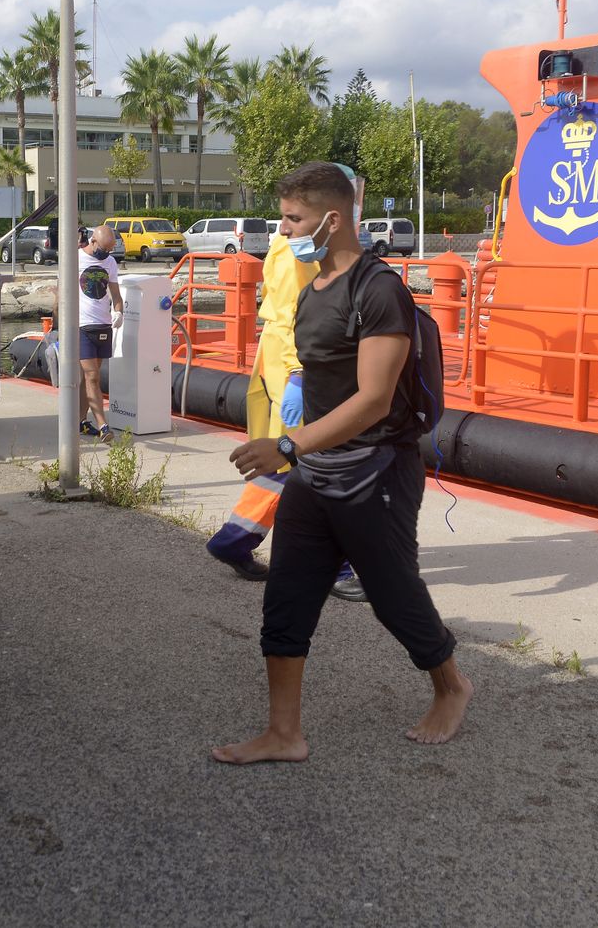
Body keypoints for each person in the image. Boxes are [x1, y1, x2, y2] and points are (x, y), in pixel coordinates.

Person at [214, 162, 470, 762]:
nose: (283, 231)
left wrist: (287, 445)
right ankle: (284, 733)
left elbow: (375, 399)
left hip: (375, 470)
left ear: (333, 219)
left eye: (293, 219)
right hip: (317, 471)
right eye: (282, 218)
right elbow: (322, 374)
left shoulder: (379, 290)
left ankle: (452, 685)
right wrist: (298, 432)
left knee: (391, 593)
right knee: (287, 597)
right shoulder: (311, 291)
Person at [203, 225, 366, 601]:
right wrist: (298, 370)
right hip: (296, 361)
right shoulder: (300, 250)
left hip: (287, 358)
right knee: (316, 458)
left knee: (290, 460)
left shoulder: (294, 244)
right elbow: (298, 310)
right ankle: (335, 567)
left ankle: (236, 538)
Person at [74, 224, 123, 441]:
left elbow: (116, 295)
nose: (106, 254)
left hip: (103, 325)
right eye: (104, 249)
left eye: (110, 250)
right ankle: (103, 426)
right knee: (92, 376)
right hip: (82, 325)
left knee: (88, 379)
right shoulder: (75, 259)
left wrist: (118, 312)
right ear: (92, 241)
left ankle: (80, 421)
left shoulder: (110, 262)